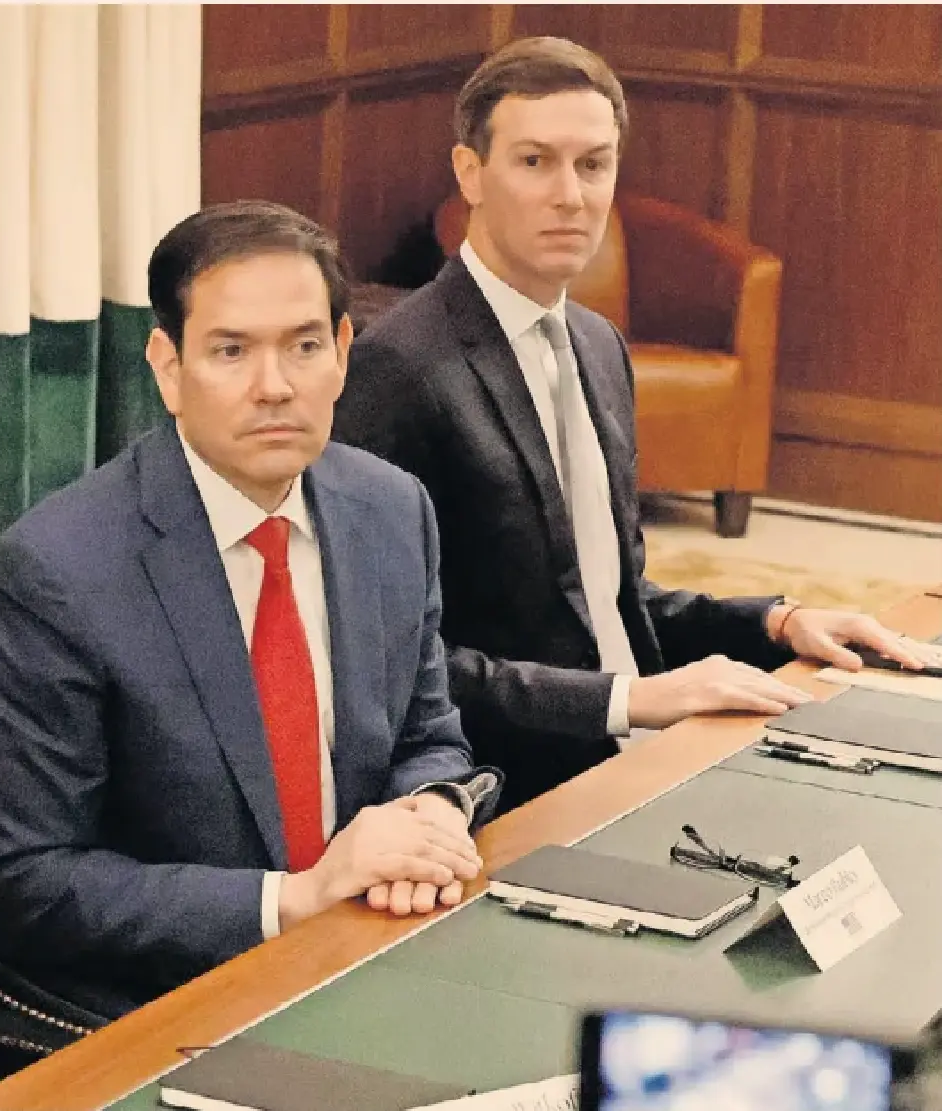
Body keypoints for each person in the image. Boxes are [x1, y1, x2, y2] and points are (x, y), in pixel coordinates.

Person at [332, 37, 938, 812]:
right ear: (469, 173)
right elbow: (389, 669)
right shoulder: (397, 369)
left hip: (642, 750)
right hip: (507, 789)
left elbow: (607, 600)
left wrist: (781, 621)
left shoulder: (594, 342)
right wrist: (627, 701)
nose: (571, 195)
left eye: (594, 164)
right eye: (534, 162)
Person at [0, 201, 501, 1020]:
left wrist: (429, 809)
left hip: (368, 956)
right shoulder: (51, 576)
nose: (274, 386)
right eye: (231, 351)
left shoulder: (391, 510)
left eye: (305, 346)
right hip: (165, 1008)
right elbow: (22, 882)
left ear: (345, 355)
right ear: (168, 368)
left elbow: (426, 735)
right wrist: (291, 898)